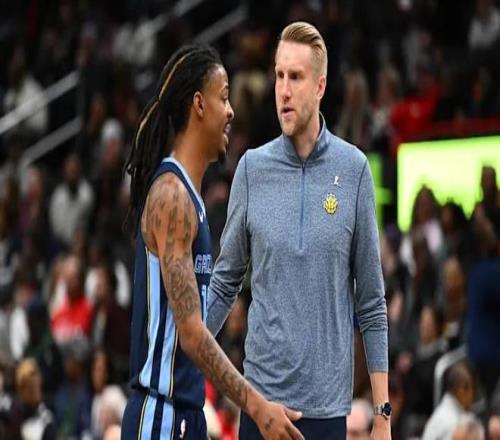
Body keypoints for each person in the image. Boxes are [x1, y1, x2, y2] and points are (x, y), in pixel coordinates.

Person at [208, 22, 390, 439]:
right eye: (278, 76)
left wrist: (382, 415)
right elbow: (224, 282)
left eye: (296, 77)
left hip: (327, 412)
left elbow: (371, 302)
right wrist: (182, 354)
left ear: (320, 86)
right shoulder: (251, 169)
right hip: (261, 407)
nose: (284, 90)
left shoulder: (355, 170)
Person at [122, 44, 303, 440]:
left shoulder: (190, 198)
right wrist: (257, 406)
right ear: (199, 104)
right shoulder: (172, 197)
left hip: (186, 414)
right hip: (160, 416)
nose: (232, 111)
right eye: (224, 98)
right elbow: (191, 333)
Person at [421, 362, 476, 440]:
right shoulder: (454, 422)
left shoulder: (443, 413)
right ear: (461, 390)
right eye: (472, 388)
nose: (473, 395)